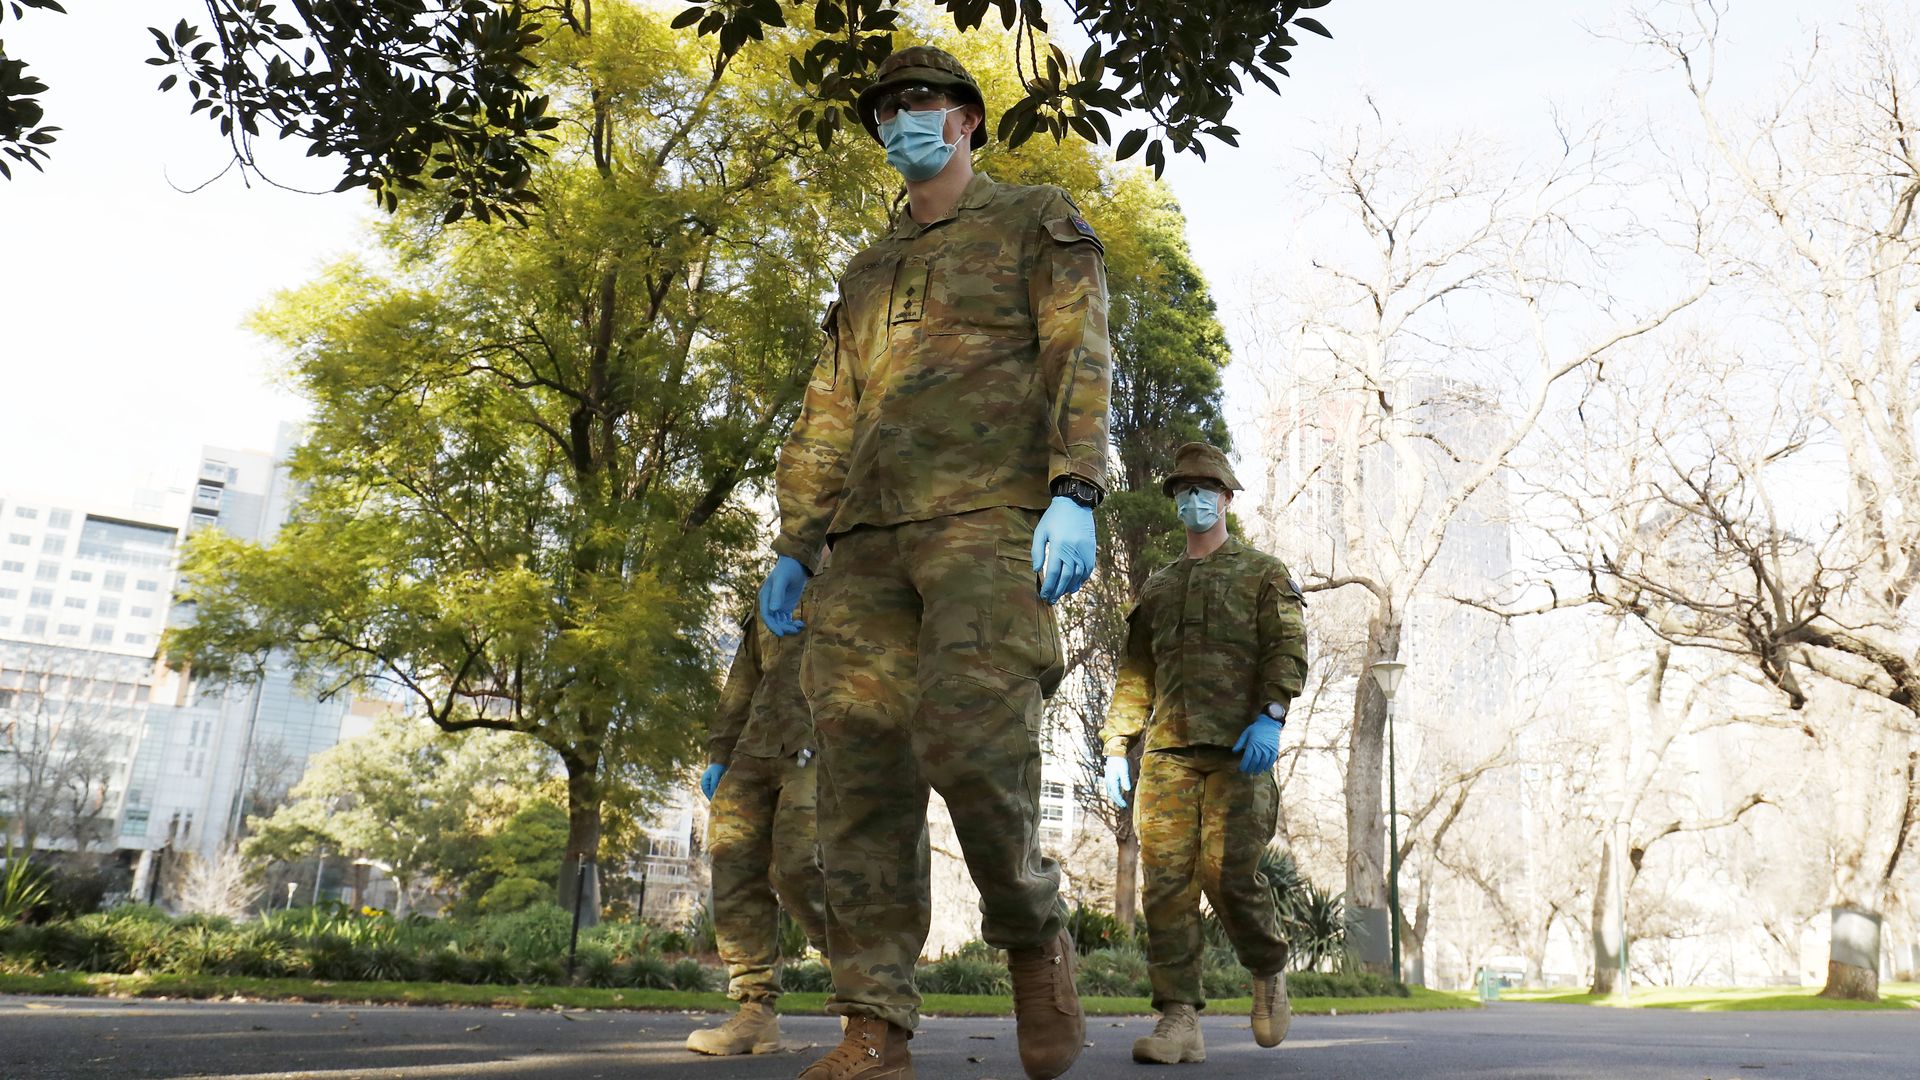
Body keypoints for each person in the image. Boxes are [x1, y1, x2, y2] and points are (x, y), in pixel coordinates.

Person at [758, 43, 1111, 1080]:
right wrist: (795, 543)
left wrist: (1076, 490)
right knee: (860, 780)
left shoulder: (1031, 218)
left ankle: (1035, 941)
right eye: (887, 111)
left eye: (920, 104)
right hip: (865, 544)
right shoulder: (867, 268)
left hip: (992, 522)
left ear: (965, 119)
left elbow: (1078, 349)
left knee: (968, 742)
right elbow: (829, 409)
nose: (902, 122)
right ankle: (875, 1024)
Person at [1097, 441, 1308, 1065]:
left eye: (1205, 490)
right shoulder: (1160, 584)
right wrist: (1116, 744)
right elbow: (1136, 669)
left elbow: (1287, 648)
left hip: (1241, 748)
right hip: (1168, 752)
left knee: (1227, 874)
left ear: (1227, 498)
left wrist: (1272, 715)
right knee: (1166, 884)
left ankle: (1268, 967)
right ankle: (1178, 1018)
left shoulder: (1263, 572)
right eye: (1184, 491)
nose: (1194, 500)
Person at [684, 607, 830, 1057]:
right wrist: (719, 751)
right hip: (756, 745)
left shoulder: (866, 564)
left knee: (799, 865)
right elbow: (744, 675)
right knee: (732, 860)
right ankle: (754, 1012)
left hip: (825, 744)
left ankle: (860, 979)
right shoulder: (779, 586)